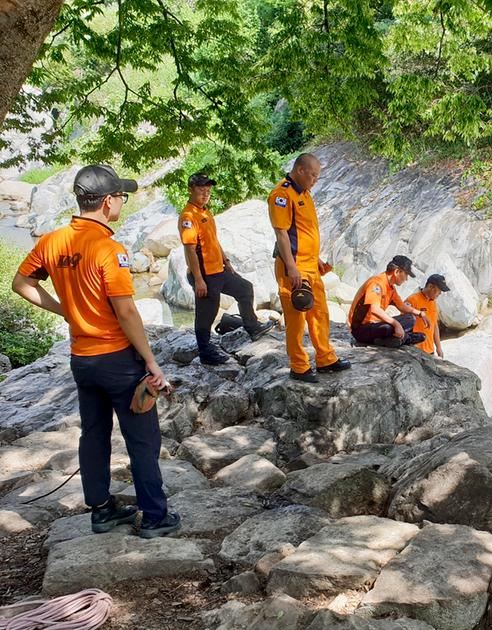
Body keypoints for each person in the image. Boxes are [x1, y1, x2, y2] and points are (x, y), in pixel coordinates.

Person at [11, 165, 180, 538]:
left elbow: (21, 282)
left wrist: (64, 310)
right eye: (120, 195)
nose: (122, 200)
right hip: (118, 358)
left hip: (82, 359)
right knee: (142, 439)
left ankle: (102, 511)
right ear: (107, 202)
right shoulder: (108, 249)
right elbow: (126, 310)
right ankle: (155, 517)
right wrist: (151, 362)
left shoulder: (53, 241)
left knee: (94, 434)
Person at [269, 153, 351, 383]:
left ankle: (326, 359)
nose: (315, 179)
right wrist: (292, 267)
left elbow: (304, 233)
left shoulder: (304, 194)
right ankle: (299, 366)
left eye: (317, 176)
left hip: (310, 265)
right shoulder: (282, 195)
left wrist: (317, 260)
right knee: (296, 319)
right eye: (313, 175)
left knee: (320, 313)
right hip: (293, 267)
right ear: (300, 170)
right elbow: (282, 233)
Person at [178, 173, 274, 365]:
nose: (205, 194)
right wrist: (198, 279)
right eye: (201, 190)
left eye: (208, 190)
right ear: (190, 190)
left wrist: (226, 261)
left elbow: (213, 240)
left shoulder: (205, 212)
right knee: (207, 313)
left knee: (245, 288)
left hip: (219, 270)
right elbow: (189, 249)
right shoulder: (188, 216)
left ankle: (253, 326)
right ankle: (206, 352)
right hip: (204, 274)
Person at [348, 256, 430, 348]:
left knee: (411, 319)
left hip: (375, 326)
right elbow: (374, 309)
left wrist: (420, 313)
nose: (406, 279)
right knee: (387, 328)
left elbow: (402, 306)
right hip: (361, 330)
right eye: (406, 274)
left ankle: (387, 340)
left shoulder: (391, 288)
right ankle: (406, 338)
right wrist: (396, 324)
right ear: (397, 272)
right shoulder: (376, 283)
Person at [406, 273, 449, 358]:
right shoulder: (412, 300)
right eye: (439, 291)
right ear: (430, 286)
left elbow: (435, 325)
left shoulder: (433, 303)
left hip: (430, 351)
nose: (439, 294)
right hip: (415, 351)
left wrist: (439, 347)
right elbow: (404, 325)